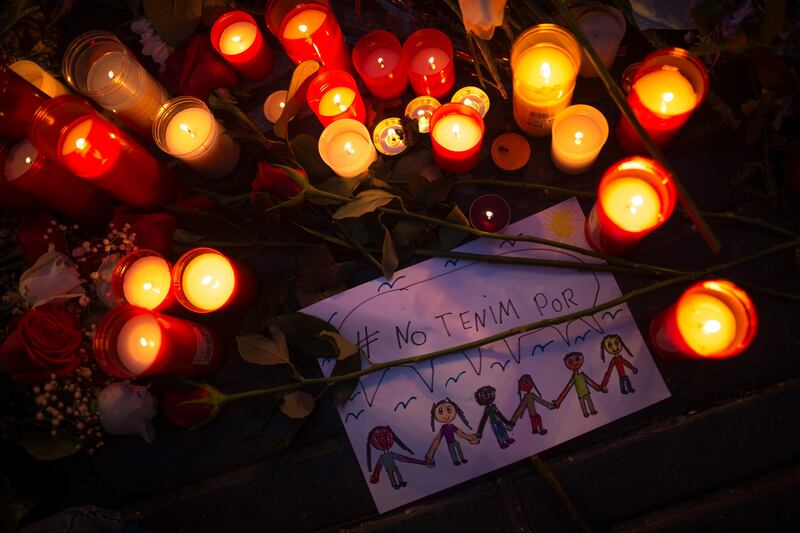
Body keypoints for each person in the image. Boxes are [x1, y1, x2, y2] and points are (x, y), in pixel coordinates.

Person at [366, 425, 431, 489]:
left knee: (397, 473)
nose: (383, 439)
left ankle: (401, 482)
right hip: (388, 469)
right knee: (391, 476)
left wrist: (422, 462)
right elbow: (378, 467)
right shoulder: (382, 457)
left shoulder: (391, 454)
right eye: (378, 436)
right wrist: (375, 477)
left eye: (385, 435)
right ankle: (394, 485)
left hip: (394, 467)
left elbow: (404, 458)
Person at [425, 398, 479, 466]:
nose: (446, 415)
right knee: (453, 452)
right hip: (450, 444)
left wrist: (469, 438)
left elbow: (460, 433)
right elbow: (437, 440)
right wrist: (430, 454)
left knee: (459, 450)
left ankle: (462, 459)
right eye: (441, 412)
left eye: (449, 410)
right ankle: (455, 461)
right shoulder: (443, 428)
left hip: (455, 442)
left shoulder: (452, 426)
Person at [553, 352, 607, 417]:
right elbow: (567, 389)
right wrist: (558, 402)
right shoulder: (574, 378)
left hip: (586, 392)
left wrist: (598, 387)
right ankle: (585, 413)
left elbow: (590, 382)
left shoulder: (582, 375)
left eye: (577, 359)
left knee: (589, 401)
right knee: (582, 404)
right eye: (570, 361)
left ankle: (592, 410)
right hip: (581, 395)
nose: (575, 363)